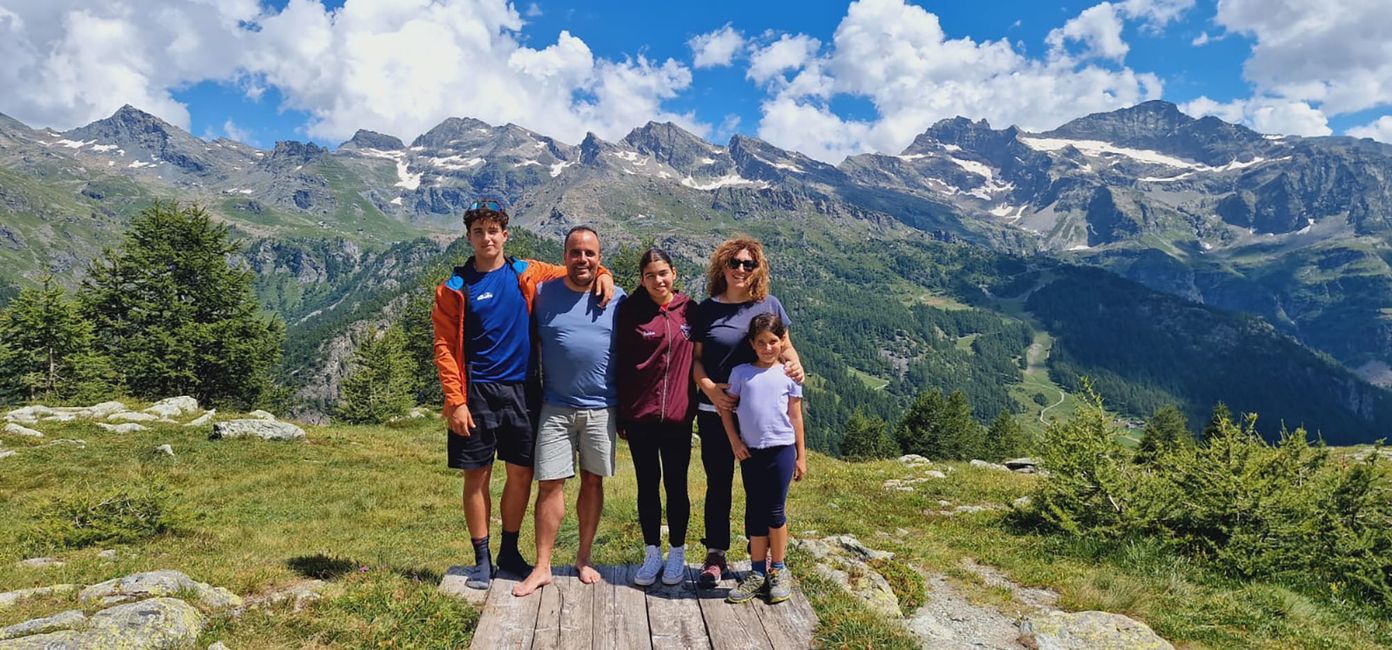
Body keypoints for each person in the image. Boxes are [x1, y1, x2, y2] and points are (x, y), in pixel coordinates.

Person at [432, 201, 614, 591]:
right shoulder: (454, 288)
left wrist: (605, 273)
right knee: (476, 475)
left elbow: (577, 269)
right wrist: (456, 401)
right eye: (478, 232)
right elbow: (445, 346)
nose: (487, 238)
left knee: (521, 474)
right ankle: (481, 558)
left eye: (493, 231)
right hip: (476, 392)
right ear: (468, 238)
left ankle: (509, 553)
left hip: (524, 390)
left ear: (505, 234)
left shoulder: (527, 273)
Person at [513, 226, 627, 597]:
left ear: (600, 258)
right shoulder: (543, 292)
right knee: (549, 485)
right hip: (556, 407)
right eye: (575, 252)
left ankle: (583, 558)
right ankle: (542, 566)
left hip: (601, 409)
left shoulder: (618, 300)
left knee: (593, 482)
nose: (583, 260)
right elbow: (511, 268)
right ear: (563, 257)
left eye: (590, 254)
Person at [690, 236, 803, 589]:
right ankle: (716, 554)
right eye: (734, 263)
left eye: (748, 264)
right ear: (721, 267)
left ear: (757, 269)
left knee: (762, 490)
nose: (741, 269)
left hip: (761, 415)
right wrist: (708, 387)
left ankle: (766, 561)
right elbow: (695, 359)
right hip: (714, 410)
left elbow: (786, 348)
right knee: (718, 483)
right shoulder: (706, 309)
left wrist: (797, 367)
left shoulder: (768, 304)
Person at [614, 248, 696, 587]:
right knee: (647, 485)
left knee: (677, 486)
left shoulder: (691, 310)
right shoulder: (631, 310)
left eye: (663, 273)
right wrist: (622, 411)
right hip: (641, 417)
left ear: (674, 273)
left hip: (678, 417)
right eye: (650, 275)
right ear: (642, 279)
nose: (658, 280)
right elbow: (619, 363)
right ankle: (651, 552)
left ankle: (677, 551)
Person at [720, 313, 807, 604]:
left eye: (773, 341)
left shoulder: (788, 374)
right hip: (751, 452)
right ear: (752, 344)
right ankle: (757, 572)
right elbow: (726, 409)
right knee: (755, 510)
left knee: (775, 511)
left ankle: (778, 569)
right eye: (761, 343)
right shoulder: (741, 373)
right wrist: (734, 442)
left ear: (782, 341)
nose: (768, 348)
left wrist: (801, 456)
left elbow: (796, 416)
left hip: (782, 449)